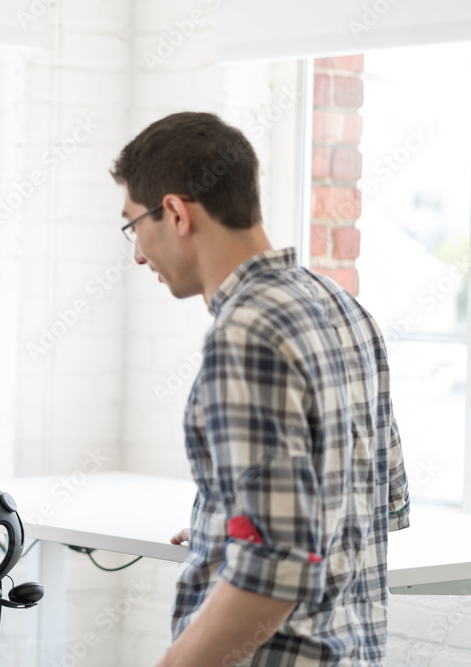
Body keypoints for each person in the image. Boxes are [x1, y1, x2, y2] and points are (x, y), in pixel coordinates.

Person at [110, 112, 410, 666]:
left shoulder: (246, 333)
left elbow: (274, 571)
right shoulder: (347, 310)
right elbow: (372, 505)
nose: (137, 254)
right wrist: (229, 521)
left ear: (175, 212)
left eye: (134, 226)